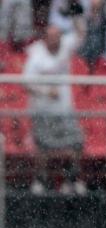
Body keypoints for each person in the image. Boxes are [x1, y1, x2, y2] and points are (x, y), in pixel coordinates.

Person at [23, 22, 88, 196]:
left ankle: (72, 179)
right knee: (43, 146)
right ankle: (40, 179)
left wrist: (75, 12)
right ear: (45, 38)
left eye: (58, 36)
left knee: (76, 143)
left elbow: (81, 33)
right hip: (43, 110)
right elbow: (26, 83)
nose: (55, 40)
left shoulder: (66, 46)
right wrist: (45, 91)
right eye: (51, 37)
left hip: (65, 109)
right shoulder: (36, 55)